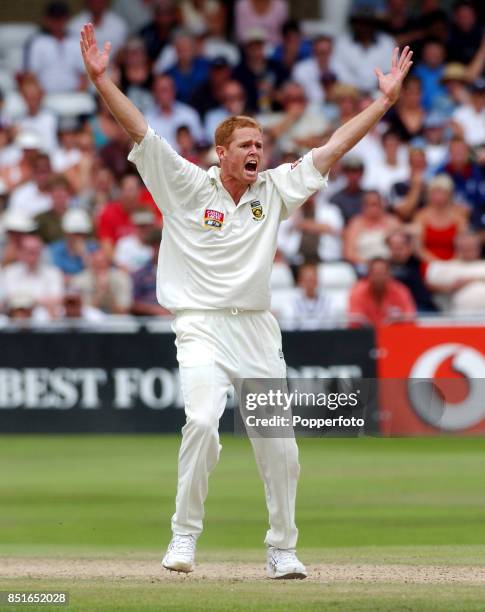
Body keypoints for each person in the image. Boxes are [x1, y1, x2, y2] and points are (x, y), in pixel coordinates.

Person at [80, 21, 412, 578]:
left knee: (279, 445)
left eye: (261, 144)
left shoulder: (275, 190)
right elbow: (139, 129)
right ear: (222, 153)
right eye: (247, 145)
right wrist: (100, 80)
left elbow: (331, 148)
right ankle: (183, 538)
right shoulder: (184, 183)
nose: (257, 151)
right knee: (204, 421)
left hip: (257, 329)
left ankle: (282, 547)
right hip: (201, 326)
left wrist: (382, 103)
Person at [348, 257, 416, 327]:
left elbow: (410, 319)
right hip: (366, 336)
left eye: (382, 274)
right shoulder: (358, 292)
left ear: (389, 275)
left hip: (394, 335)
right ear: (369, 275)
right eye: (376, 274)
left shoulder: (400, 291)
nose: (379, 278)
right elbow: (355, 324)